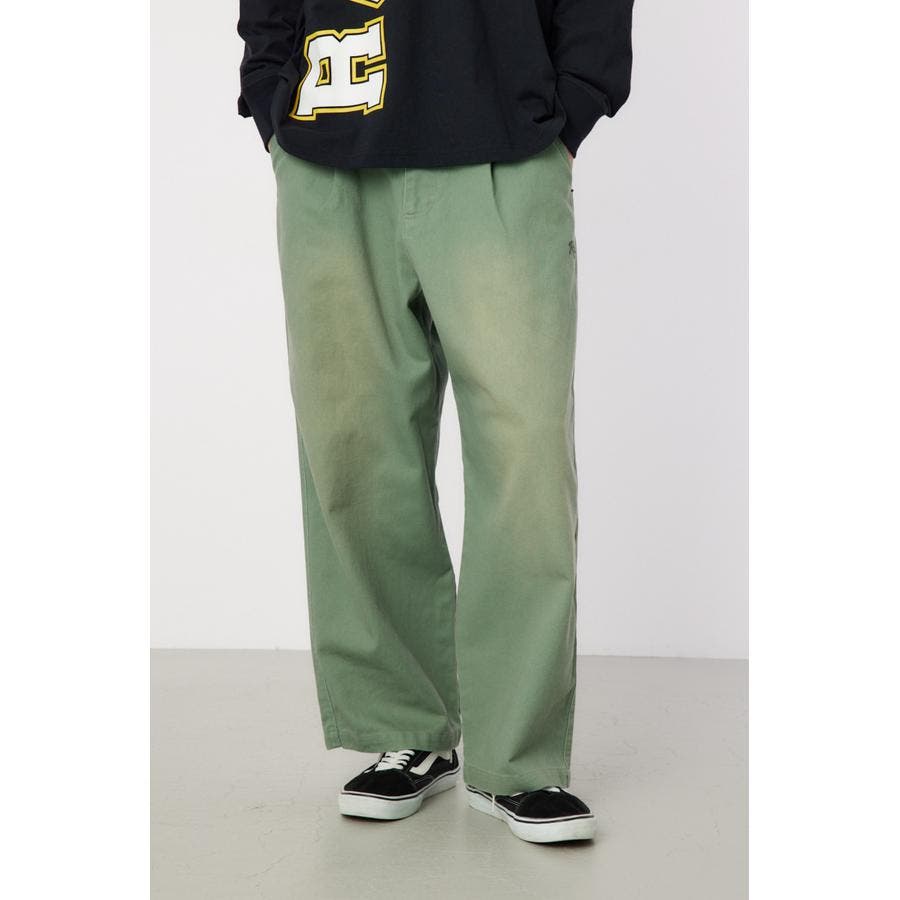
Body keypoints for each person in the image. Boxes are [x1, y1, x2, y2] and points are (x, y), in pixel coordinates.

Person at [237, 0, 633, 844]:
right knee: (353, 450)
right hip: (330, 141)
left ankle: (517, 758)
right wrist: (269, 89)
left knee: (526, 455)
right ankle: (405, 726)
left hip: (503, 142)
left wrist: (577, 98)